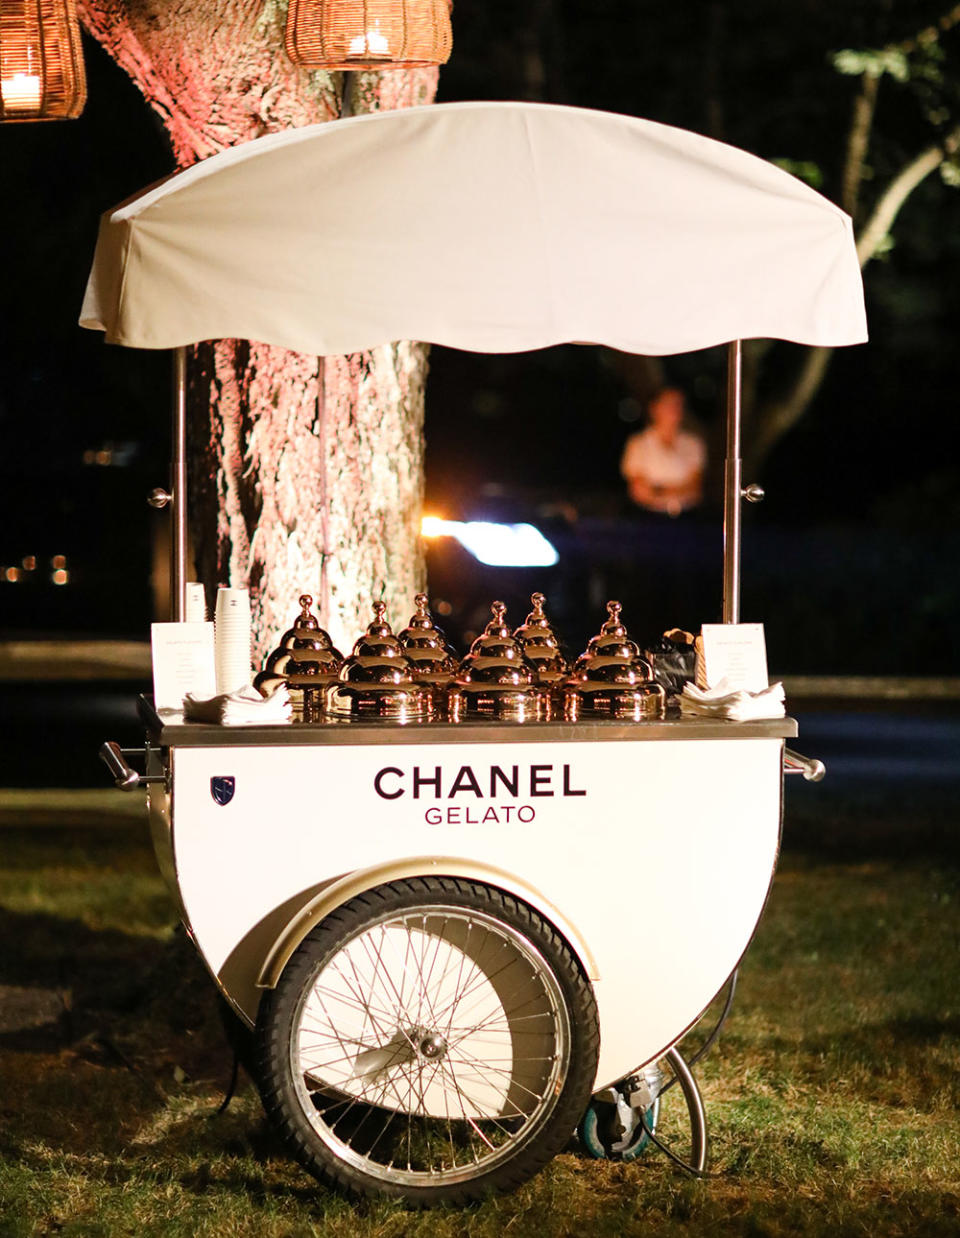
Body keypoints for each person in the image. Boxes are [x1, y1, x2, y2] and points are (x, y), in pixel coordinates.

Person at [620, 388, 706, 516]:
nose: (674, 410)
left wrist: (658, 489)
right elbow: (639, 490)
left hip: (687, 516)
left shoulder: (693, 444)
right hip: (647, 517)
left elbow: (695, 489)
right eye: (668, 404)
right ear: (654, 408)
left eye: (678, 404)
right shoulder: (638, 444)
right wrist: (679, 489)